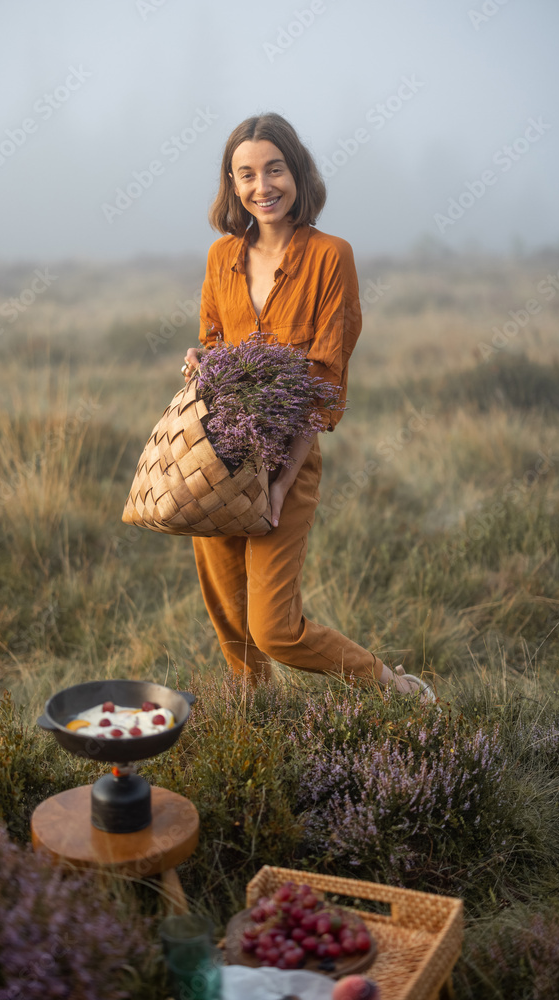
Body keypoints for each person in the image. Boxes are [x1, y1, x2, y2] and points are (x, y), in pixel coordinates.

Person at [183, 112, 432, 700]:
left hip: (286, 460)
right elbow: (215, 342)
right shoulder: (222, 256)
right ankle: (256, 717)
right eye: (245, 174)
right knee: (230, 619)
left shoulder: (330, 256)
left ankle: (393, 687)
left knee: (274, 627)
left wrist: (280, 483)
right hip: (218, 455)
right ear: (231, 184)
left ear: (298, 172)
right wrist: (201, 361)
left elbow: (324, 385)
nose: (261, 186)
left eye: (274, 169)